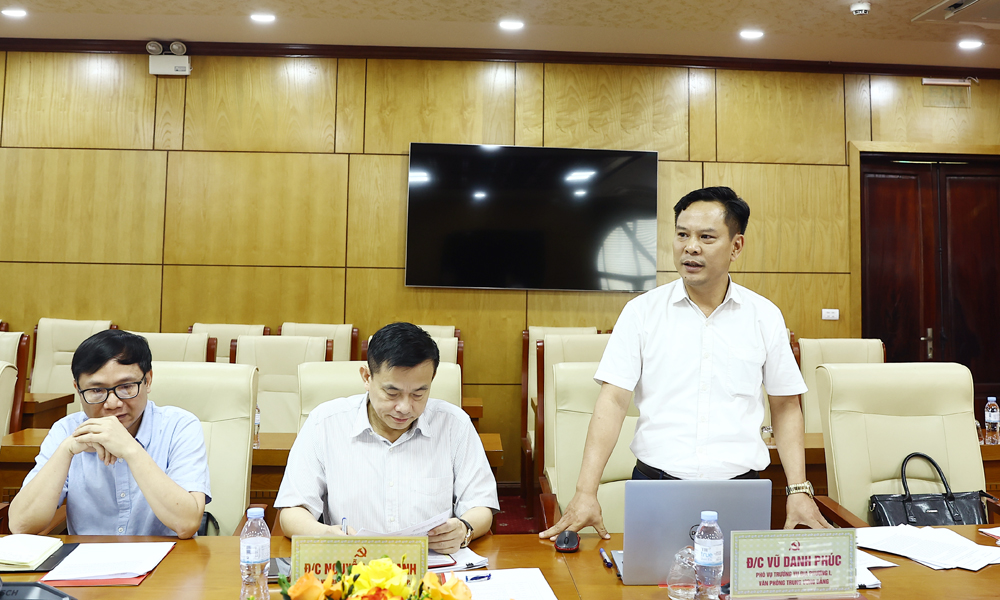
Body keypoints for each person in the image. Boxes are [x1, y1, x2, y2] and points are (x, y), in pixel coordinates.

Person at [540, 186, 831, 540]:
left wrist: (798, 489)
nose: (690, 247)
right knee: (648, 577)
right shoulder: (641, 312)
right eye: (682, 235)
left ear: (736, 246)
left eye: (706, 237)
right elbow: (613, 401)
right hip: (656, 487)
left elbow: (785, 406)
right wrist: (586, 491)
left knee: (736, 578)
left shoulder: (764, 316)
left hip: (739, 491)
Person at [275, 322, 499, 553]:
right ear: (366, 377)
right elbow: (292, 512)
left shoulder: (454, 425)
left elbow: (481, 504)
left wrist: (464, 528)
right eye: (392, 393)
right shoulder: (324, 423)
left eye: (418, 394)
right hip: (352, 565)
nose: (404, 407)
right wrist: (324, 534)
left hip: (432, 567)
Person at [8, 330, 211, 538]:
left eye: (126, 387)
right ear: (78, 389)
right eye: (96, 391)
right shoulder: (66, 431)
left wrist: (130, 449)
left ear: (148, 380)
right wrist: (66, 451)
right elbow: (21, 526)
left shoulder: (179, 426)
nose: (113, 403)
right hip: (86, 557)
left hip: (171, 556)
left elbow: (186, 524)